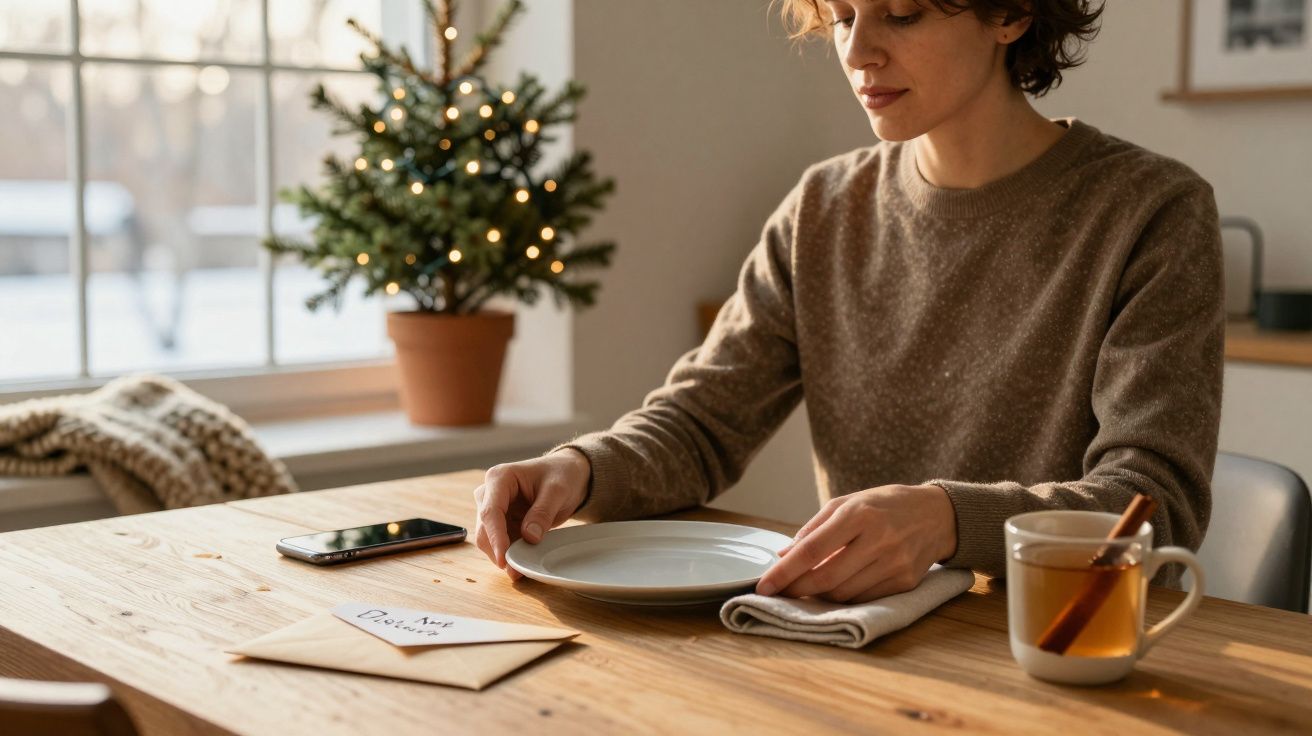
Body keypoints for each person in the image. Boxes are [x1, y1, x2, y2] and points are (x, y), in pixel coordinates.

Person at [471, 0, 1224, 603]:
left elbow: (1151, 507)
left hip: (1064, 653)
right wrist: (582, 469)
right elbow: (701, 427)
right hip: (854, 652)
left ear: (1011, 14)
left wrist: (946, 520)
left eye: (902, 15)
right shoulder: (823, 208)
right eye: (840, 16)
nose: (859, 53)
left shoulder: (1150, 212)